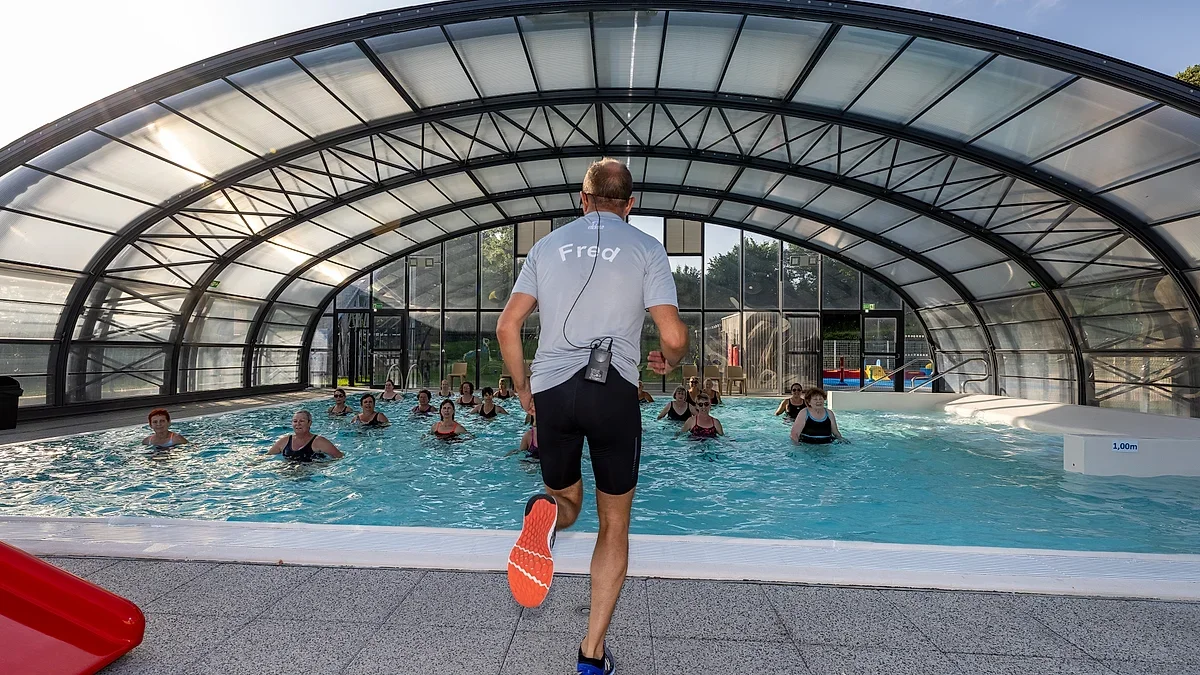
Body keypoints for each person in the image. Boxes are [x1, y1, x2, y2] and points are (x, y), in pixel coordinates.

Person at [497, 157, 688, 675]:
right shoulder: (647, 248)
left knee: (567, 499)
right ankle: (591, 655)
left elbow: (507, 327)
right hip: (613, 392)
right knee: (614, 525)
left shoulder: (546, 246)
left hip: (553, 391)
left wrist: (522, 387)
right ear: (630, 204)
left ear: (582, 200)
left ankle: (547, 514)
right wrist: (667, 361)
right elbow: (673, 338)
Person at [268, 410, 343, 461]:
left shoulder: (319, 441)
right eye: (295, 421)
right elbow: (268, 456)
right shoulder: (285, 441)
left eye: (302, 421)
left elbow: (340, 457)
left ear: (309, 423)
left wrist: (322, 465)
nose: (298, 424)